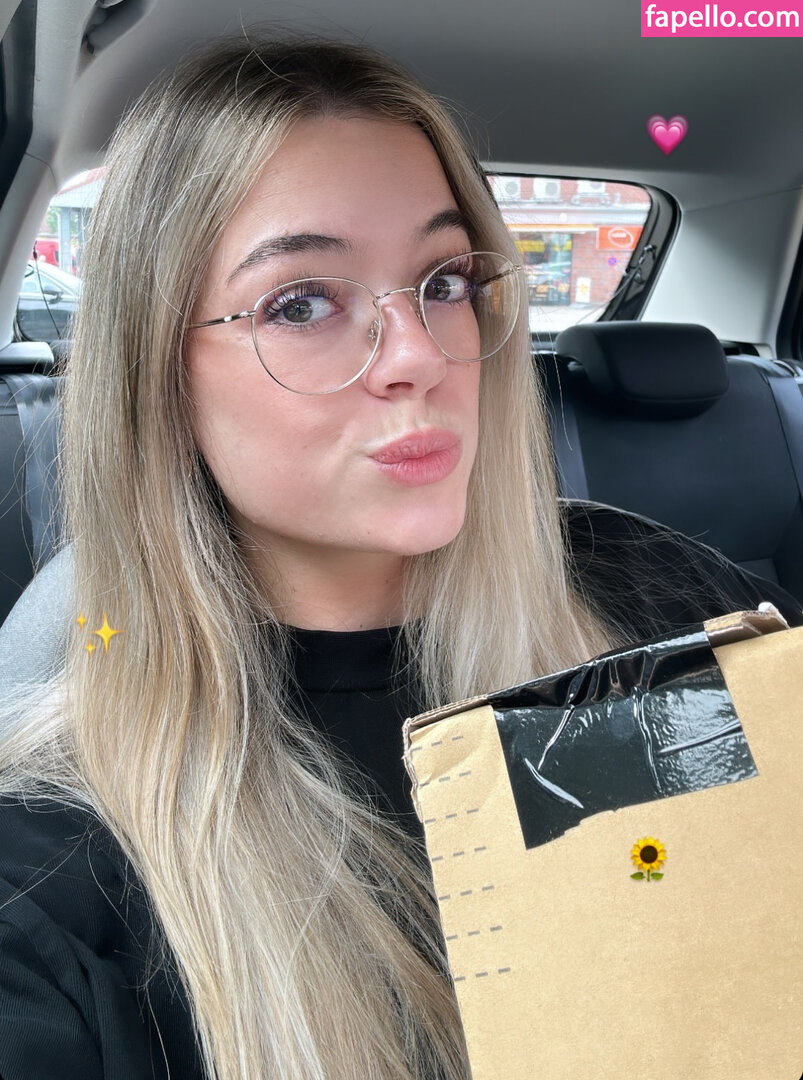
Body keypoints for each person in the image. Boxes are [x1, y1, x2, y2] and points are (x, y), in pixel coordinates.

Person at [0, 38, 799, 1080]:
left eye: (443, 280)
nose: (421, 353)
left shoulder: (658, 596)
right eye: (300, 302)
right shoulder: (57, 868)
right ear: (157, 371)